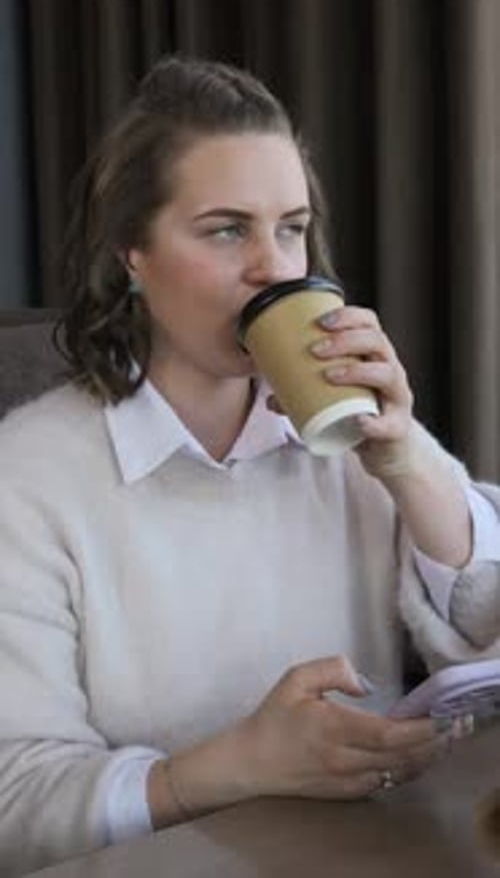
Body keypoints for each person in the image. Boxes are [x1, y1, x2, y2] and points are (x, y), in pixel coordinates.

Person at [1, 54, 500, 876]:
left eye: (292, 227)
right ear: (133, 253)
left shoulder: (343, 442)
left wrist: (408, 461)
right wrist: (237, 766)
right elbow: (15, 805)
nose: (274, 266)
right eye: (227, 229)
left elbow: (484, 624)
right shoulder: (30, 478)